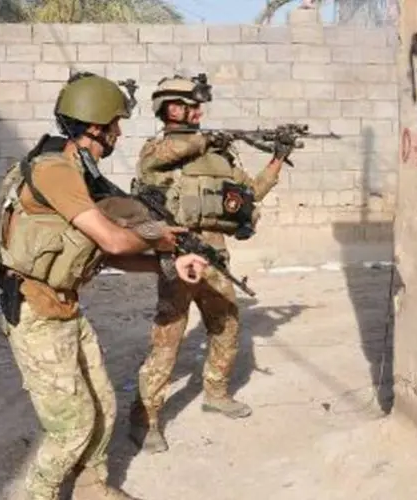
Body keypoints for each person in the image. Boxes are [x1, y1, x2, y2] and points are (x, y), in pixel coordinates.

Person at [0, 72, 208, 500]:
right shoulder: (55, 171)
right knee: (72, 427)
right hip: (33, 312)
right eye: (116, 124)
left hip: (64, 307)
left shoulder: (79, 174)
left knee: (102, 404)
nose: (119, 133)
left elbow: (112, 254)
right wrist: (162, 237)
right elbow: (116, 239)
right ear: (95, 126)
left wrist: (170, 264)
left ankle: (91, 490)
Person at [129, 73, 294, 453]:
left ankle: (215, 392)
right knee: (168, 338)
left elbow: (249, 193)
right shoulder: (155, 152)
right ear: (171, 107)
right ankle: (145, 417)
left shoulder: (217, 156)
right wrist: (208, 138)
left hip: (214, 250)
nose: (200, 111)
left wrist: (277, 159)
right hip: (176, 249)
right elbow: (167, 157)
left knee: (227, 322)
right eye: (191, 104)